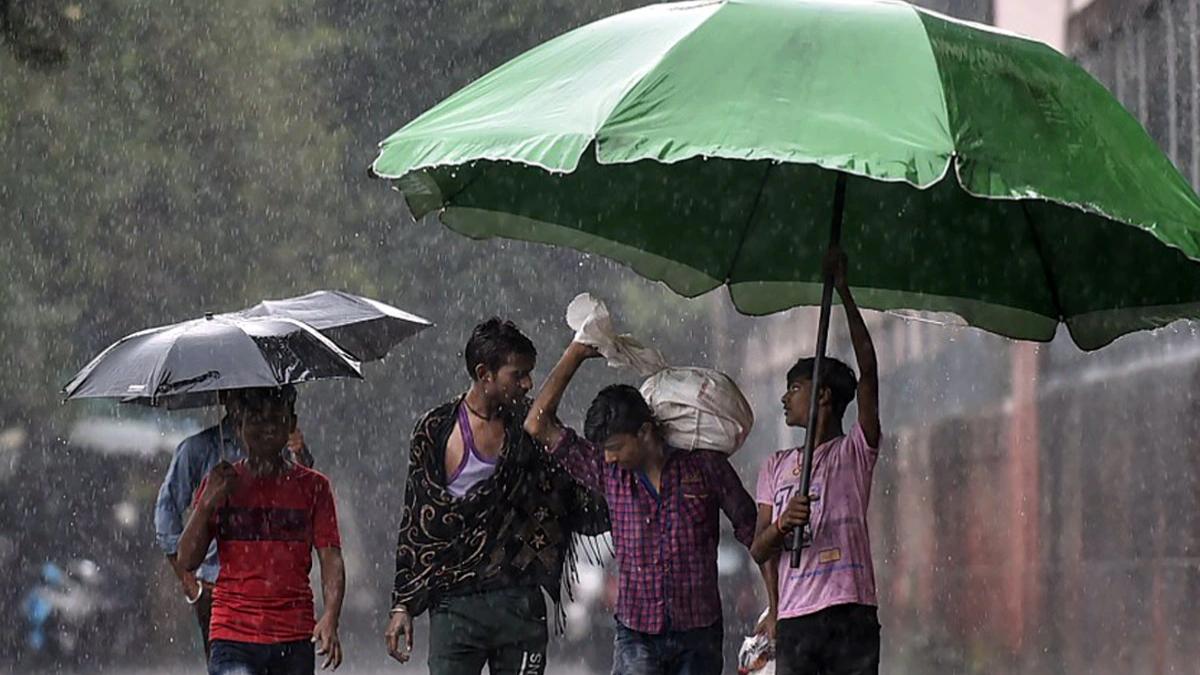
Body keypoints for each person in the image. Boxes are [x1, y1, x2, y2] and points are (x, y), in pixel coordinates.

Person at [383, 318, 608, 675]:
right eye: (517, 375)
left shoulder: (527, 425)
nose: (527, 383)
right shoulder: (436, 429)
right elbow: (417, 521)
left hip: (518, 600)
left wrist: (575, 355)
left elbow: (569, 477)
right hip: (454, 605)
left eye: (529, 374)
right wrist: (402, 605)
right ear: (484, 373)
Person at [524, 341, 764, 675]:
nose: (609, 456)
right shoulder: (608, 473)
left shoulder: (706, 468)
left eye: (615, 447)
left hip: (699, 633)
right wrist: (575, 353)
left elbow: (756, 535)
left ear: (645, 432)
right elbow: (537, 425)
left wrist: (778, 610)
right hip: (636, 634)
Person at [750, 246, 882, 675]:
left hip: (851, 611)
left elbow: (869, 373)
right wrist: (784, 523)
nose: (785, 398)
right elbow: (759, 548)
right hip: (797, 619)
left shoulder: (855, 451)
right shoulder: (775, 466)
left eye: (795, 388)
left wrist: (843, 291)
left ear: (823, 395)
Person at [177, 385, 344, 674]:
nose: (266, 427)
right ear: (238, 424)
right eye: (255, 418)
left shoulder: (314, 487)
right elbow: (187, 559)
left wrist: (330, 616)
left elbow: (331, 558)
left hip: (294, 635)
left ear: (291, 424)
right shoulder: (221, 482)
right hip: (232, 634)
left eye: (275, 418)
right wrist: (205, 504)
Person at [154, 392, 313, 658]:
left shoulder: (280, 444)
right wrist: (188, 581)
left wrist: (300, 453)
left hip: (274, 589)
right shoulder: (199, 449)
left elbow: (305, 500)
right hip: (217, 588)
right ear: (227, 399)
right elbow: (166, 510)